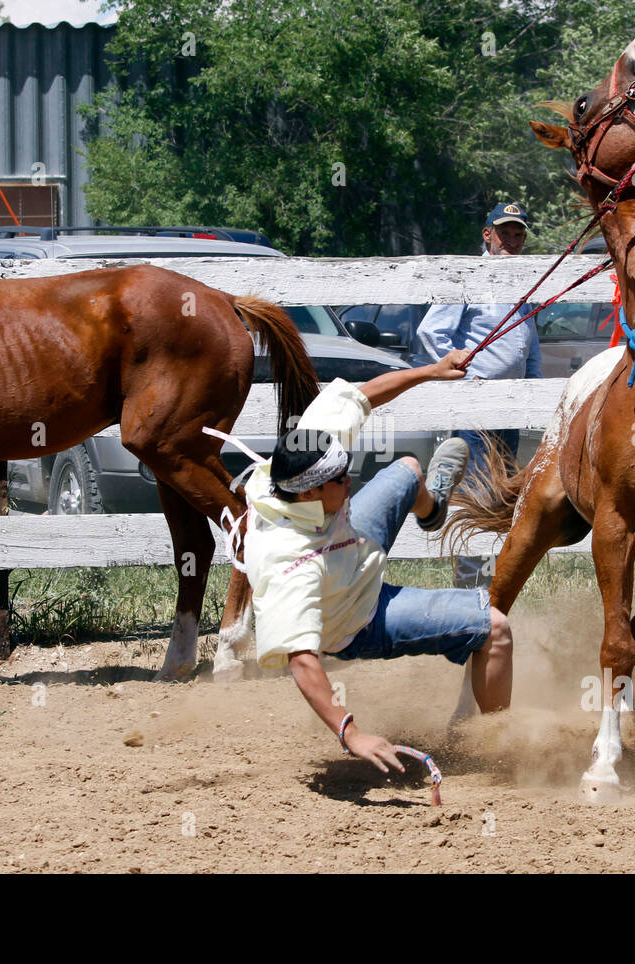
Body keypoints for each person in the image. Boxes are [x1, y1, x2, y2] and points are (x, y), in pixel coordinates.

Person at [242, 349, 513, 774]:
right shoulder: (286, 561)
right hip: (356, 617)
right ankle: (499, 748)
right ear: (310, 493)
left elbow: (362, 396)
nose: (350, 478)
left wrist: (432, 371)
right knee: (496, 628)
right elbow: (301, 659)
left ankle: (433, 509)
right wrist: (349, 733)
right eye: (340, 479)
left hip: (350, 544)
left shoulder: (308, 450)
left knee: (407, 468)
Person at [415, 201, 542, 588]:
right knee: (477, 491)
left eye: (519, 234)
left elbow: (528, 344)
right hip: (477, 403)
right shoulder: (469, 277)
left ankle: (488, 582)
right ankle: (469, 584)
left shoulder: (524, 283)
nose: (512, 240)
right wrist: (462, 377)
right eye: (505, 233)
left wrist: (532, 389)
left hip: (510, 405)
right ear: (487, 234)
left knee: (502, 493)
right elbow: (431, 332)